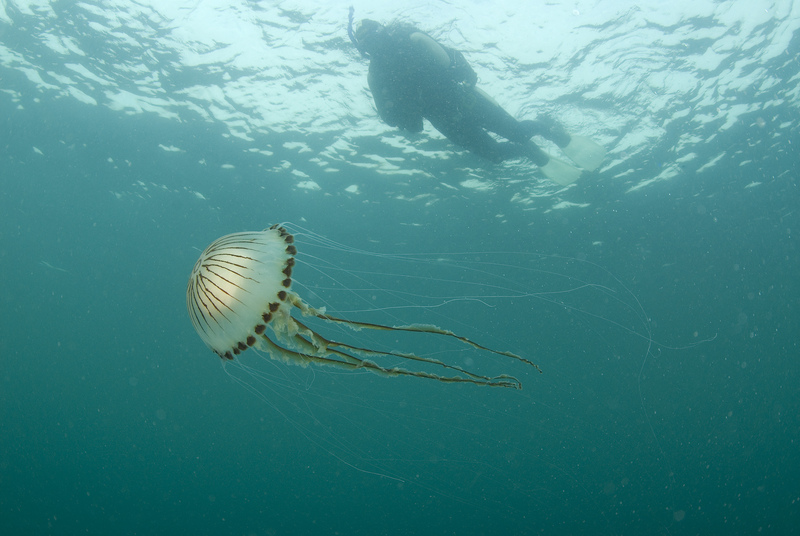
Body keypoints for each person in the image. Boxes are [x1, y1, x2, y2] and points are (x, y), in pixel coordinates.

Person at [348, 14, 605, 185]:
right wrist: (404, 116)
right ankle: (529, 151)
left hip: (464, 99)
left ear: (383, 33)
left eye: (372, 36)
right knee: (494, 154)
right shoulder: (377, 76)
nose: (372, 44)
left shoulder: (410, 39)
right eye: (365, 42)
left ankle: (551, 130)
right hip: (445, 120)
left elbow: (450, 59)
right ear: (363, 48)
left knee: (516, 132)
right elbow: (391, 116)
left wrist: (462, 76)